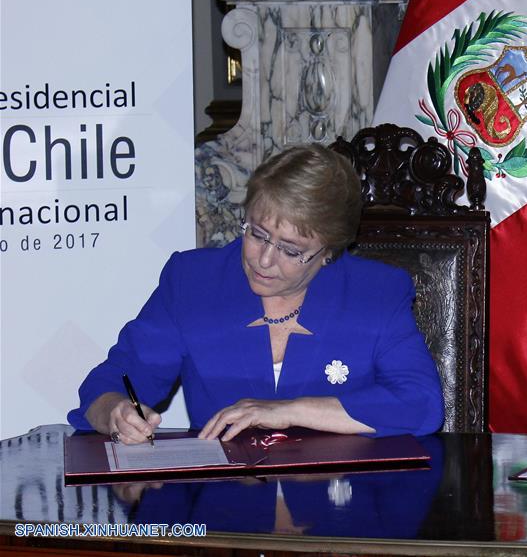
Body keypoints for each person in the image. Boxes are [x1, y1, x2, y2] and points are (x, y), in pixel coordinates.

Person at [68, 144, 444, 443]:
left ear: (330, 251)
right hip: (226, 508)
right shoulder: (193, 282)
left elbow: (421, 405)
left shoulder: (375, 294)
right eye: (257, 233)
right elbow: (111, 382)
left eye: (291, 249)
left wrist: (288, 410)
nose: (264, 259)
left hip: (341, 511)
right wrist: (116, 412)